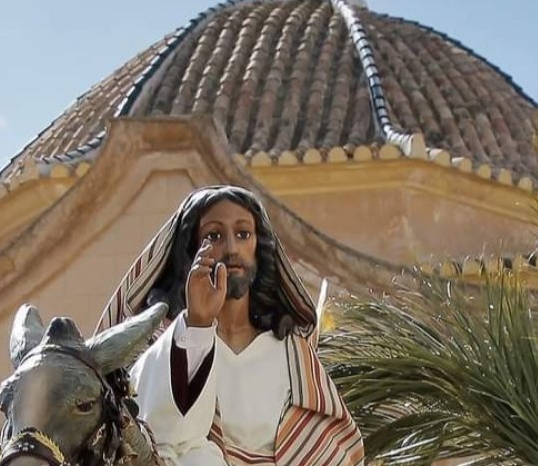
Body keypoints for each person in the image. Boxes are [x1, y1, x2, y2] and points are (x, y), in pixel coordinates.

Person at [97, 185, 364, 466]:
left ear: (259, 248)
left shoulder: (292, 355)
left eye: (243, 234)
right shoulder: (166, 344)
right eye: (214, 235)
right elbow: (157, 435)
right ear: (191, 249)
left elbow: (335, 450)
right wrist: (198, 324)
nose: (232, 248)